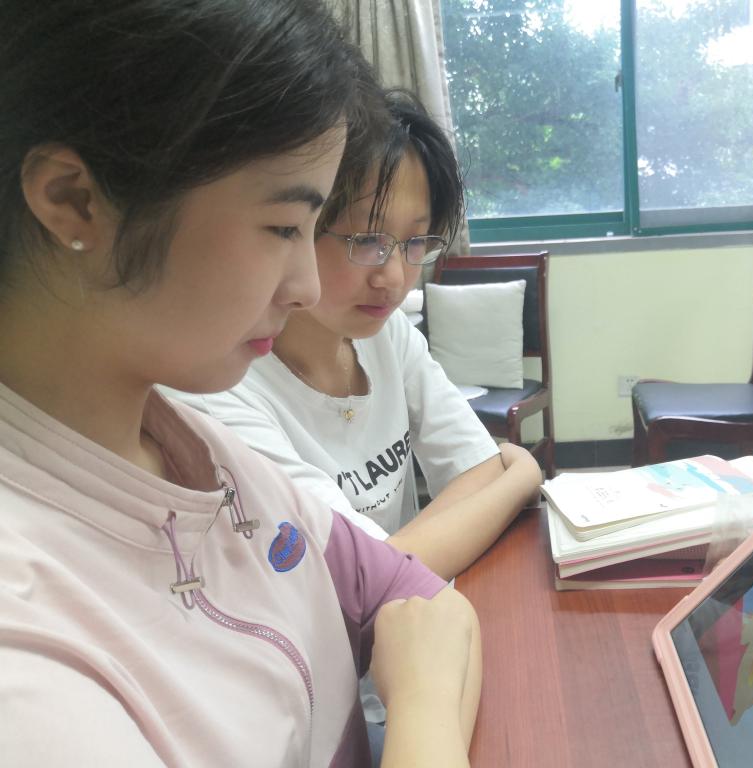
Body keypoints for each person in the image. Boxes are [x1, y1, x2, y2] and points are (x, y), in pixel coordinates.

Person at [0, 2, 479, 767]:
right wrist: (421, 699)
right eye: (285, 227)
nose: (305, 285)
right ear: (74, 202)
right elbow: (427, 633)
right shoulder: (26, 662)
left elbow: (421, 601)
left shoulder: (197, 454)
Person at [172, 89, 543, 581]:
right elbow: (369, 577)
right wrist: (523, 476)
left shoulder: (387, 333)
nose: (394, 277)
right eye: (366, 240)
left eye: (415, 242)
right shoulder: (221, 388)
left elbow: (477, 467)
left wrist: (409, 552)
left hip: (423, 610)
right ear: (296, 226)